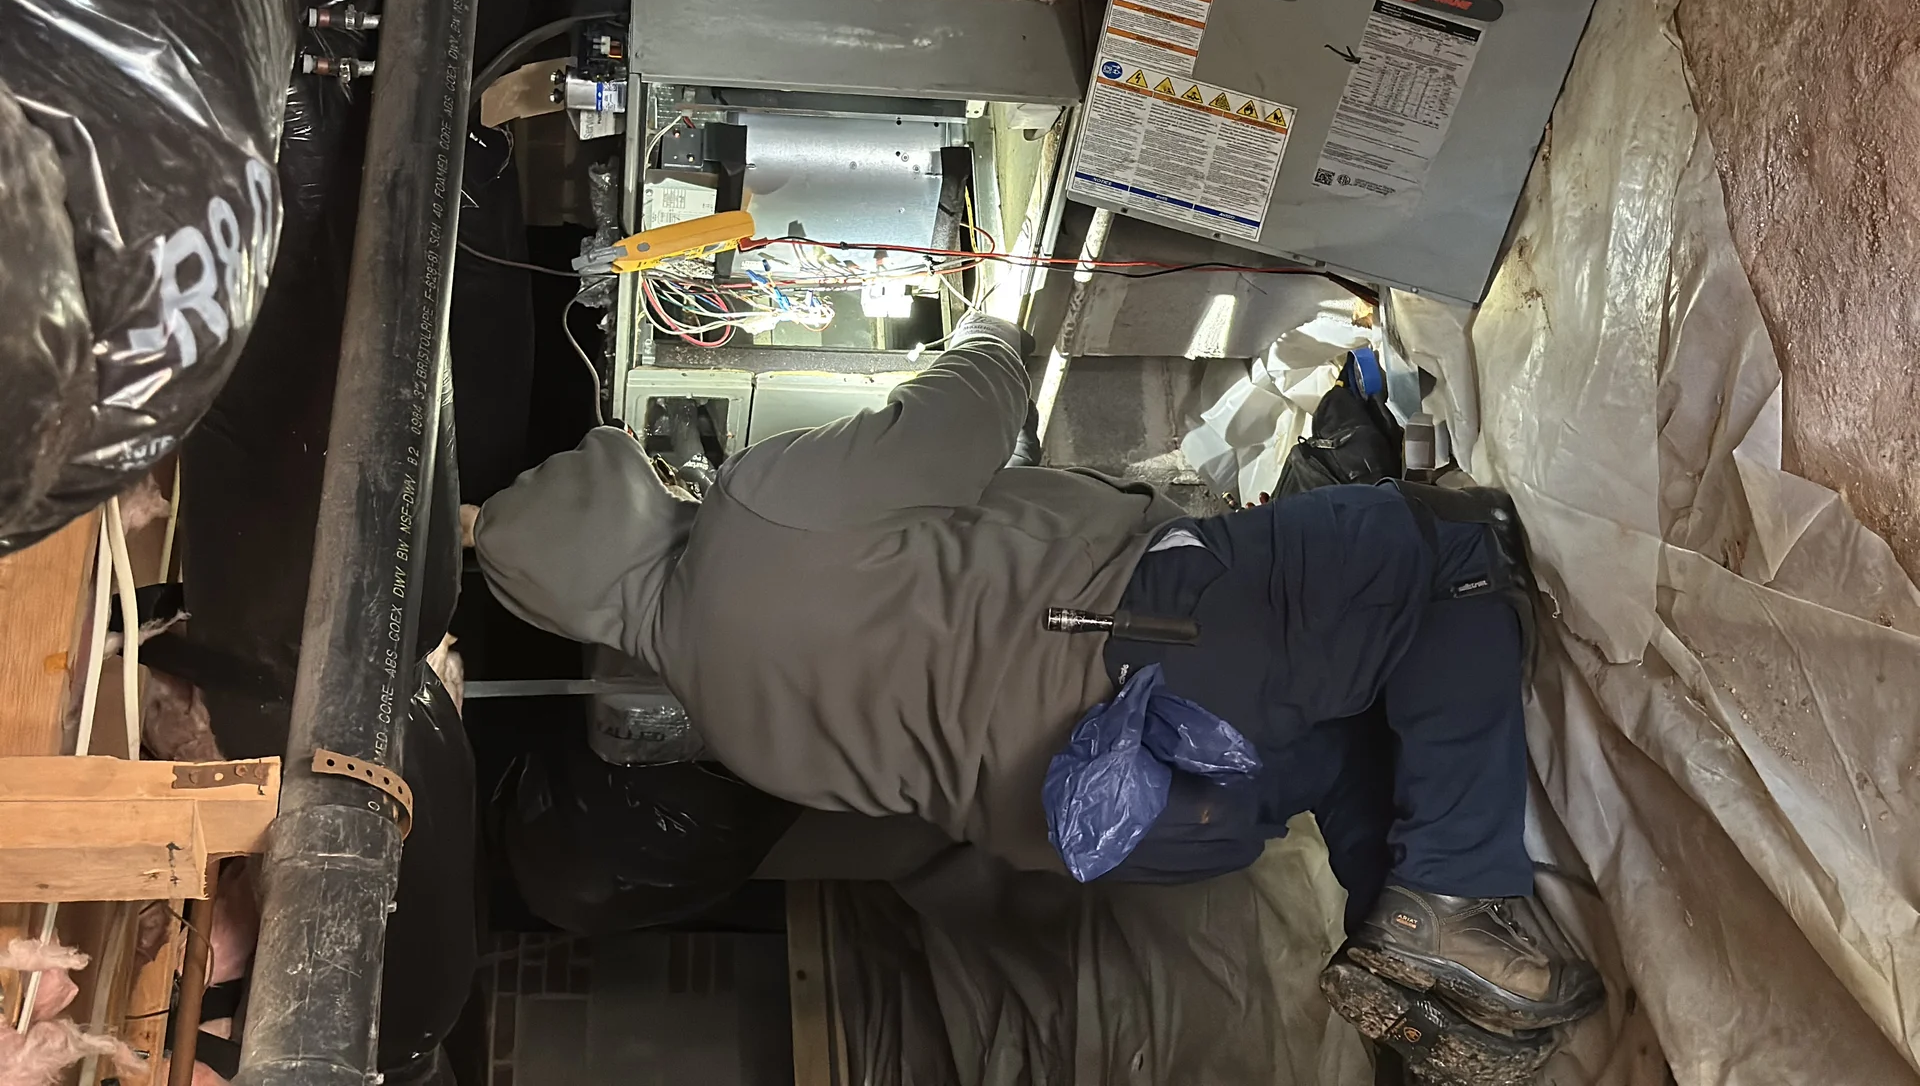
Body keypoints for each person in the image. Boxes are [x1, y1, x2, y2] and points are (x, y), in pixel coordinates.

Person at [471, 311, 1601, 1062]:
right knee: (1442, 552)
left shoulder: (723, 724)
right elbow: (967, 416)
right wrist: (986, 330)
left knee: (1356, 737)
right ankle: (1450, 893)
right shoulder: (753, 514)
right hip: (1154, 656)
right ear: (629, 508)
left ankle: (1427, 971)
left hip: (1130, 828)